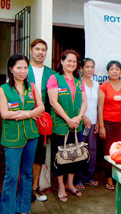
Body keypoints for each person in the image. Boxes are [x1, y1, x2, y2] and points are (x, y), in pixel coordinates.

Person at [0, 54, 45, 214]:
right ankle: (7, 210)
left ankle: (24, 208)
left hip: (31, 135)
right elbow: (4, 113)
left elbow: (41, 108)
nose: (22, 71)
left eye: (25, 67)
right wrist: (30, 113)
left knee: (27, 174)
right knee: (11, 176)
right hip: (12, 138)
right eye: (18, 67)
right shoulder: (3, 89)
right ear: (11, 69)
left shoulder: (31, 87)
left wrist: (25, 114)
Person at [47, 49, 87, 203]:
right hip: (61, 125)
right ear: (62, 61)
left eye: (74, 61)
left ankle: (70, 183)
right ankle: (61, 187)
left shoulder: (79, 80)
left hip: (77, 124)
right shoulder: (54, 78)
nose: (71, 63)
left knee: (75, 155)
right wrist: (67, 119)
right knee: (60, 157)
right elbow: (53, 102)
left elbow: (84, 101)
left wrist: (78, 117)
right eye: (68, 60)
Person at [28, 38, 54, 202]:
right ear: (31, 51)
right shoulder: (23, 68)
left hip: (42, 123)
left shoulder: (50, 73)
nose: (40, 52)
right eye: (37, 49)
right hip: (24, 121)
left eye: (43, 50)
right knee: (22, 156)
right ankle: (23, 189)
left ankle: (35, 188)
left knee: (38, 156)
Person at [98, 60, 121, 190]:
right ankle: (108, 178)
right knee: (108, 151)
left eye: (117, 69)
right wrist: (101, 126)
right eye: (111, 69)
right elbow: (100, 108)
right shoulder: (103, 87)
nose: (114, 71)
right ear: (108, 72)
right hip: (108, 123)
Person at [75, 58, 100, 190]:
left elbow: (98, 105)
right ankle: (78, 179)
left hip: (93, 122)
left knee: (92, 151)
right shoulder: (77, 83)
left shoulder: (96, 84)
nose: (90, 69)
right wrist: (83, 116)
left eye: (92, 67)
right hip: (81, 122)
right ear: (81, 69)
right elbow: (75, 103)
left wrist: (98, 122)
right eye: (87, 67)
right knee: (80, 150)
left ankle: (88, 177)